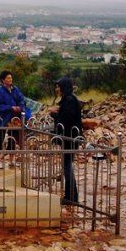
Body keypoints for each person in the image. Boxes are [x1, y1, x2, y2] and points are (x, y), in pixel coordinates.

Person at [48, 76, 81, 204]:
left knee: (67, 166)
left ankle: (72, 197)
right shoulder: (67, 100)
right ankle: (70, 195)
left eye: (58, 86)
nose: (57, 89)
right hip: (68, 138)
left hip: (70, 138)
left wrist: (55, 113)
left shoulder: (70, 100)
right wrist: (55, 113)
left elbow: (65, 119)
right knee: (66, 166)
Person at [0, 70, 26, 169]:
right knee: (0, 138)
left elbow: (22, 99)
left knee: (13, 138)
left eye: (11, 78)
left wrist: (20, 107)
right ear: (3, 80)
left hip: (14, 118)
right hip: (3, 118)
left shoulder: (15, 89)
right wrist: (10, 108)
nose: (10, 79)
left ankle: (11, 160)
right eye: (8, 78)